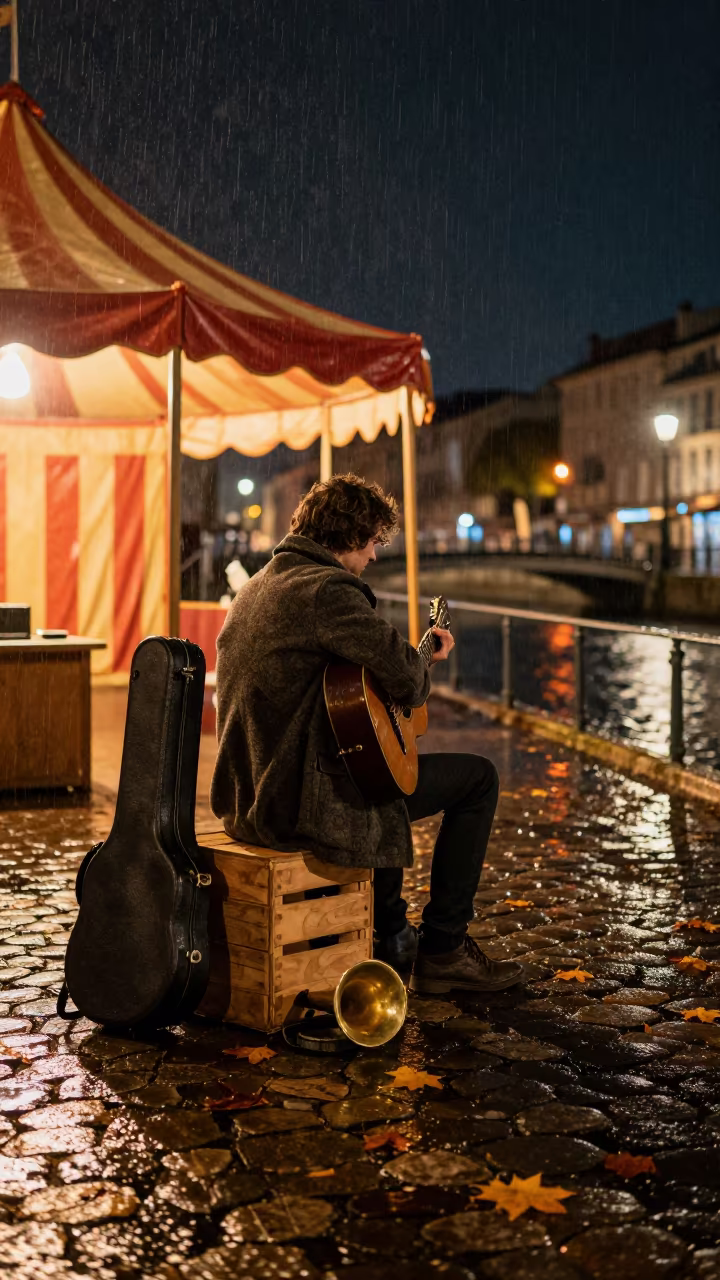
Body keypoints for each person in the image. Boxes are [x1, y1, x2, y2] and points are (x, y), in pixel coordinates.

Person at [210, 474, 522, 994]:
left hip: (248, 794)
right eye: (375, 542)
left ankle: (392, 924)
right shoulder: (327, 591)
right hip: (297, 803)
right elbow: (408, 678)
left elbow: (343, 686)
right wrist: (427, 660)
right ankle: (444, 948)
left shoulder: (260, 585)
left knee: (377, 772)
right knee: (478, 778)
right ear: (350, 535)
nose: (375, 557)